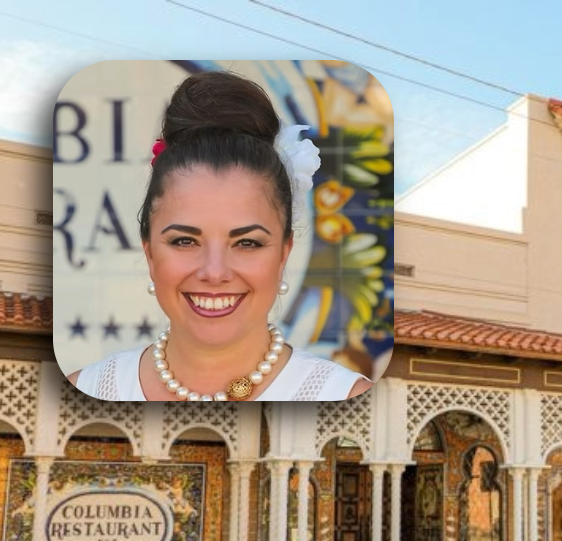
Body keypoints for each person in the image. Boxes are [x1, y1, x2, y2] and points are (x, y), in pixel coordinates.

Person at [68, 71, 372, 401]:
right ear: (150, 253)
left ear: (284, 254)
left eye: (247, 243)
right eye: (184, 241)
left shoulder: (345, 395)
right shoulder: (86, 388)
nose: (214, 273)